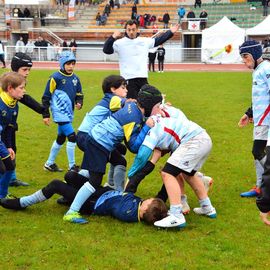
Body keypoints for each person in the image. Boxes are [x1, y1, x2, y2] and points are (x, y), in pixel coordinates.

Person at [63, 85, 162, 224]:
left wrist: (124, 103)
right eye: (158, 106)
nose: (159, 109)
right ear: (150, 105)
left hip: (97, 138)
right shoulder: (133, 117)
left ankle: (69, 190)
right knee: (94, 181)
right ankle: (72, 211)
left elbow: (115, 102)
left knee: (116, 163)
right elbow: (133, 146)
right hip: (99, 143)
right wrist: (147, 127)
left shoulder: (132, 105)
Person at [127, 94, 216, 228]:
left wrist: (131, 177)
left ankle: (176, 215)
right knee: (188, 174)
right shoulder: (158, 118)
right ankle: (207, 208)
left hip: (193, 141)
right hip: (203, 137)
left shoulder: (151, 131)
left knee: (167, 173)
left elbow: (142, 156)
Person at [0, 171, 168, 225]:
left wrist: (127, 193)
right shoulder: (137, 205)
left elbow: (117, 205)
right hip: (98, 193)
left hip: (91, 203)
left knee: (55, 184)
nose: (148, 198)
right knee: (70, 175)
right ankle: (67, 200)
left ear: (145, 209)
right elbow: (126, 194)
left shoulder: (129, 211)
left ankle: (21, 203)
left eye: (149, 201)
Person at [103, 19, 179, 99]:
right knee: (132, 104)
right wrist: (113, 37)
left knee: (147, 102)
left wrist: (170, 32)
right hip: (128, 79)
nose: (131, 32)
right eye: (129, 30)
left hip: (142, 78)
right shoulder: (119, 43)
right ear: (126, 30)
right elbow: (106, 50)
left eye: (133, 29)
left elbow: (159, 40)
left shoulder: (144, 41)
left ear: (137, 29)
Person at [77, 75, 128, 192]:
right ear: (113, 89)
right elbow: (129, 106)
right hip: (87, 137)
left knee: (120, 149)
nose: (126, 90)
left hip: (84, 135)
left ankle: (110, 184)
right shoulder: (113, 100)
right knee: (119, 161)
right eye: (123, 87)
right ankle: (118, 192)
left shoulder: (109, 99)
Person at [7, 53, 49, 187]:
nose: (27, 73)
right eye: (24, 70)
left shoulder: (16, 83)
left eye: (29, 70)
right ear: (15, 69)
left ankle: (12, 179)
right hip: (3, 125)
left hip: (10, 124)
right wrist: (43, 110)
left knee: (12, 149)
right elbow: (25, 99)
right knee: (6, 152)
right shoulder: (7, 84)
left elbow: (25, 98)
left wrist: (43, 111)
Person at [42, 51, 83, 172]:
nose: (71, 66)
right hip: (59, 113)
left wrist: (79, 102)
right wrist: (45, 114)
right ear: (62, 64)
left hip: (69, 113)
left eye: (73, 64)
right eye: (68, 64)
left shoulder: (76, 78)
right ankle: (72, 166)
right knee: (72, 137)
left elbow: (79, 93)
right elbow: (46, 96)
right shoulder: (55, 77)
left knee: (61, 138)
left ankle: (49, 163)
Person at [238, 40, 270, 199]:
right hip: (259, 119)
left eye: (246, 56)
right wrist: (249, 113)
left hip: (267, 120)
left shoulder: (267, 69)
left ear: (255, 54)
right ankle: (259, 188)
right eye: (243, 57)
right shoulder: (257, 70)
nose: (244, 60)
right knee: (258, 153)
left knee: (257, 151)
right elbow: (259, 96)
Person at [0, 72, 26, 198]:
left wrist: (9, 146)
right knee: (8, 166)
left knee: (7, 166)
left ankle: (2, 195)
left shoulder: (14, 105)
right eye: (21, 88)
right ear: (10, 88)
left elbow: (9, 128)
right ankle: (2, 195)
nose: (24, 91)